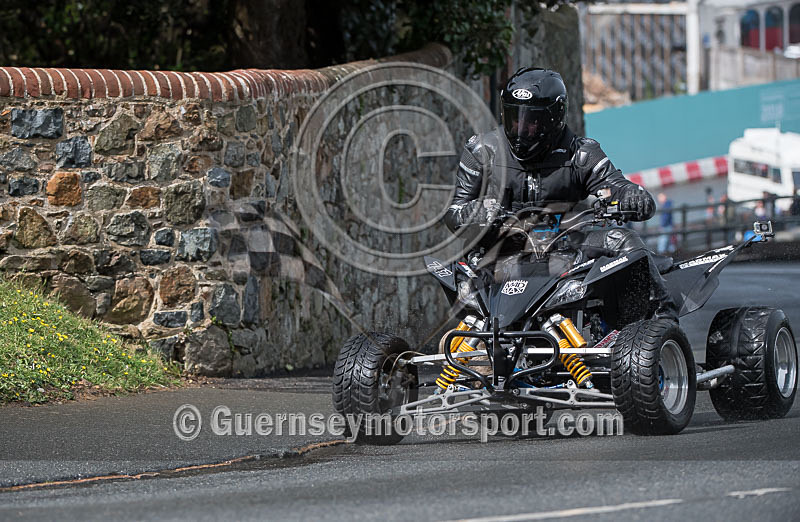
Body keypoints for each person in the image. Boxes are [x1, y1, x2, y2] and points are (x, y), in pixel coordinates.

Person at [444, 67, 678, 322]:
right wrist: (475, 212)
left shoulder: (581, 154)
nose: (521, 129)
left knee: (623, 240)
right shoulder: (481, 151)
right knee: (457, 274)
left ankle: (662, 321)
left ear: (554, 118)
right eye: (514, 118)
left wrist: (631, 196)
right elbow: (453, 212)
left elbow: (616, 185)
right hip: (500, 253)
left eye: (532, 120)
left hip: (565, 247)